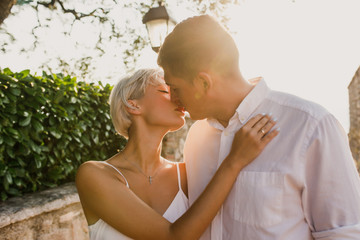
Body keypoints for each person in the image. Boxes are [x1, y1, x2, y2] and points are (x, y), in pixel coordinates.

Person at [157, 14, 360, 239]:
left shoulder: (310, 126)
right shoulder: (196, 137)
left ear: (204, 83)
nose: (172, 98)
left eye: (174, 87)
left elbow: (344, 234)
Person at [75, 68, 278, 239]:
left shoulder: (187, 174)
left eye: (177, 90)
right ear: (133, 104)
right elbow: (173, 237)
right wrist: (234, 162)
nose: (178, 99)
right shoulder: (94, 174)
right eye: (165, 91)